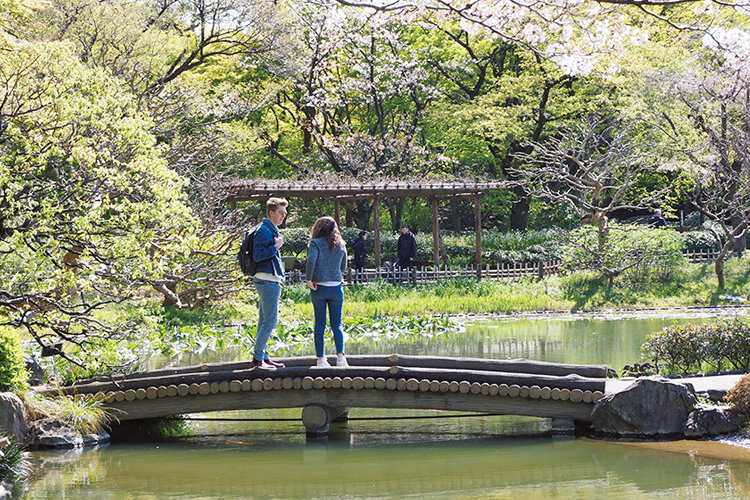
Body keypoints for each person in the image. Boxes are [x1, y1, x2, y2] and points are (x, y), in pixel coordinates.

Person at [305, 217, 349, 368]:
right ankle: (341, 358)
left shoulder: (315, 243)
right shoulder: (341, 244)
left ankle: (321, 360)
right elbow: (343, 267)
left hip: (319, 288)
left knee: (320, 324)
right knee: (337, 324)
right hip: (336, 287)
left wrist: (309, 279)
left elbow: (311, 261)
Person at [251, 197, 288, 370]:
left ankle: (263, 357)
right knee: (271, 322)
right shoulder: (264, 231)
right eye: (281, 213)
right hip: (267, 280)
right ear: (271, 213)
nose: (283, 217)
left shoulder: (269, 230)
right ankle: (258, 360)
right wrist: (276, 247)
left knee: (263, 322)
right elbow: (258, 256)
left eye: (285, 213)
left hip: (268, 280)